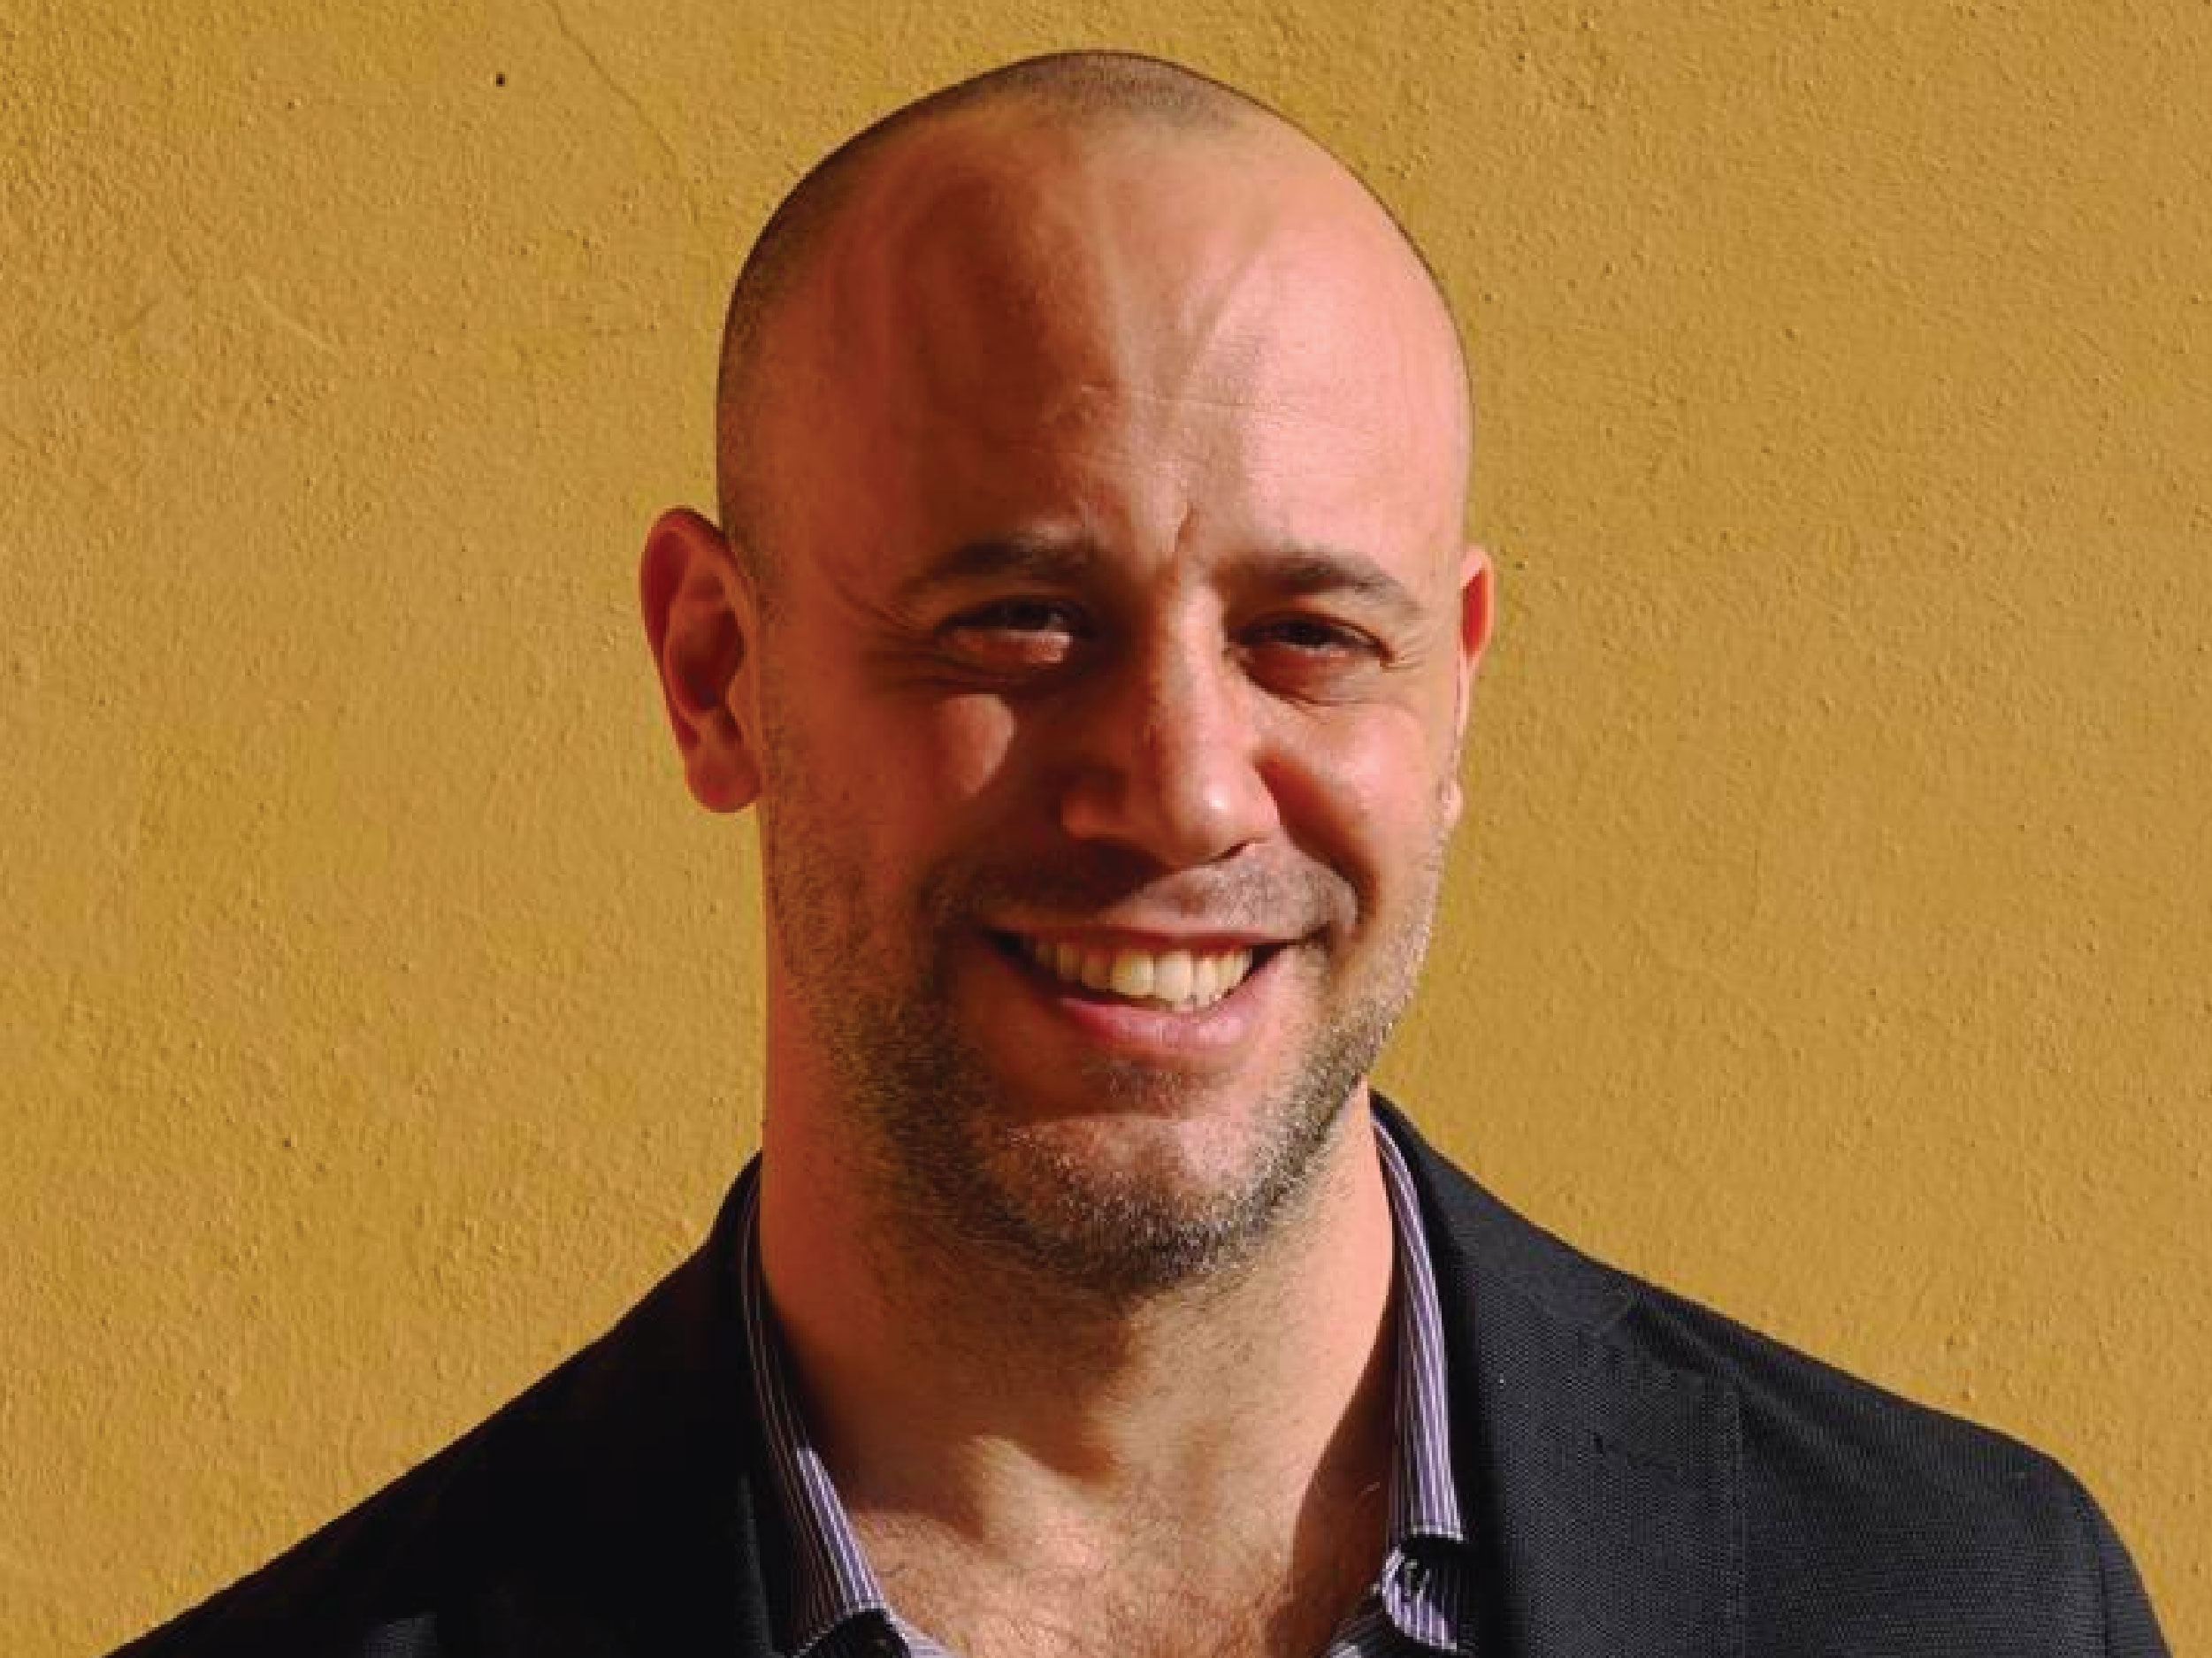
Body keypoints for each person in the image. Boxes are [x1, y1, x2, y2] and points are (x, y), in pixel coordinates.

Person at [118, 49, 2166, 1658]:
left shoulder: (1973, 1604)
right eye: (1021, 619)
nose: (1182, 790)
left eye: (1310, 634)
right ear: (715, 668)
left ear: (1453, 692)